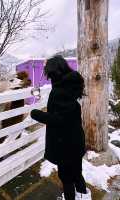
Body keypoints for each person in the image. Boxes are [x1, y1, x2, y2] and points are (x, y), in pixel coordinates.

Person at [30, 55, 90, 200]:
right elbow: (67, 114)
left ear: (55, 72)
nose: (49, 78)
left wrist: (36, 114)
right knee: (76, 171)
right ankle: (84, 194)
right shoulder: (71, 85)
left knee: (66, 177)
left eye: (49, 74)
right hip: (76, 139)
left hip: (65, 145)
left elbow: (59, 119)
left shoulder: (59, 91)